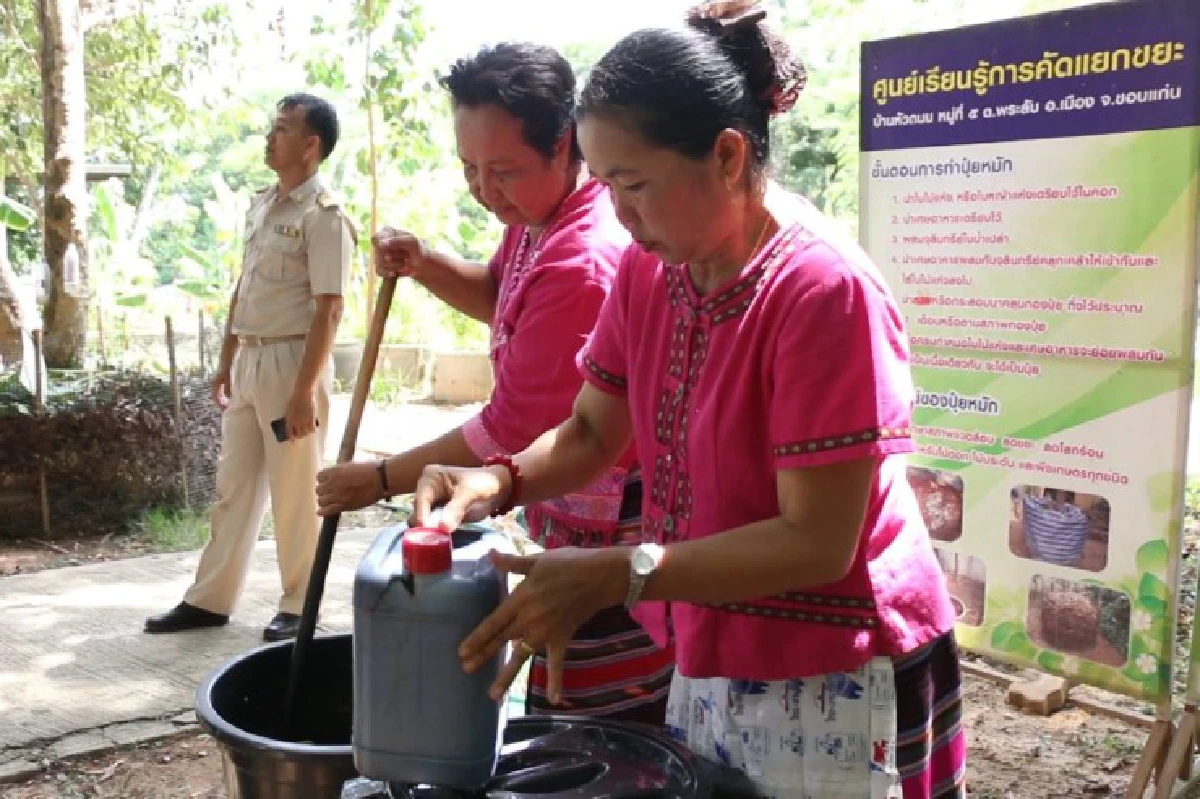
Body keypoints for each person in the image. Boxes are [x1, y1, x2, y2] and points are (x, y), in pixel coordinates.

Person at [408, 5, 967, 798]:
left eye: (634, 186)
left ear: (729, 156)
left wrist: (618, 574)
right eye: (604, 188)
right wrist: (497, 479)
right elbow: (594, 428)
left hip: (837, 665)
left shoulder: (821, 292)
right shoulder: (650, 268)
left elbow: (817, 540)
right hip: (712, 639)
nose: (620, 217)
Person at [314, 42, 674, 724]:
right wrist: (425, 263)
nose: (484, 188)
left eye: (503, 169)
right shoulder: (540, 218)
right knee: (566, 698)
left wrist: (382, 475)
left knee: (597, 723)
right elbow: (502, 291)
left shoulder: (586, 258)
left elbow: (511, 427)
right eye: (470, 168)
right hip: (569, 515)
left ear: (565, 144)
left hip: (613, 529)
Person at [145, 93, 356, 643]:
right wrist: (226, 359)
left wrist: (304, 390)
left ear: (311, 145)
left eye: (282, 129)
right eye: (272, 126)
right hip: (251, 359)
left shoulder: (324, 216)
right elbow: (244, 287)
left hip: (293, 362)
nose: (270, 137)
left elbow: (328, 306)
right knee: (233, 486)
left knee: (294, 488)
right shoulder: (264, 205)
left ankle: (297, 603)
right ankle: (210, 599)